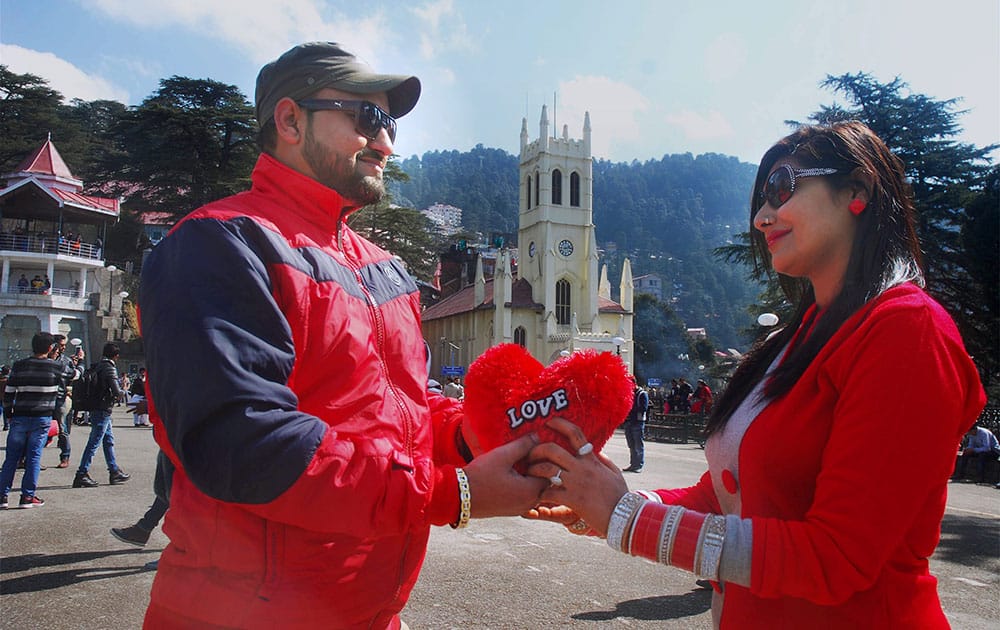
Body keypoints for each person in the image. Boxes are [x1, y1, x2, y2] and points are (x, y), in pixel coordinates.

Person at [138, 41, 546, 629]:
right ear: (288, 119)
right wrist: (452, 494)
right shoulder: (219, 243)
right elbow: (242, 442)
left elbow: (406, 409)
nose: (384, 141)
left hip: (374, 613)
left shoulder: (385, 267)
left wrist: (481, 437)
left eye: (392, 126)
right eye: (367, 118)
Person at [527, 121, 986, 628]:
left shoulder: (906, 331)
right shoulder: (799, 336)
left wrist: (627, 517)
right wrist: (614, 500)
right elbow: (733, 494)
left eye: (781, 189)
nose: (764, 218)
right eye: (760, 203)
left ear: (856, 190)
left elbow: (835, 558)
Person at [0, 332, 66, 508]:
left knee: (11, 458)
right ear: (51, 348)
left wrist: (8, 413)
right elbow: (75, 374)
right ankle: (27, 497)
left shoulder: (19, 365)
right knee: (34, 457)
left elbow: (8, 394)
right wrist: (74, 359)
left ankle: (2, 496)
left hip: (20, 416)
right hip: (41, 418)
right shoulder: (56, 367)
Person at [72, 342, 130, 488]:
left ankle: (114, 470)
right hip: (103, 408)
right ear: (116, 356)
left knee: (108, 440)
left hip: (96, 407)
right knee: (94, 442)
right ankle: (81, 473)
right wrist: (124, 392)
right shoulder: (109, 368)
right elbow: (117, 392)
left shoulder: (97, 366)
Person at [49, 334, 84, 468]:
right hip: (46, 399)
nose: (63, 347)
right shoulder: (46, 359)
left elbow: (73, 377)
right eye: (61, 345)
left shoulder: (66, 360)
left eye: (64, 345)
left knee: (62, 428)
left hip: (60, 397)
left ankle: (65, 456)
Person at [622, 384, 648, 473]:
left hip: (638, 422)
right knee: (631, 445)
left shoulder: (642, 394)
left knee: (638, 445)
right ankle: (633, 464)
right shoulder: (629, 393)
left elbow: (643, 408)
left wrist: (631, 408)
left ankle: (639, 465)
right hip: (628, 422)